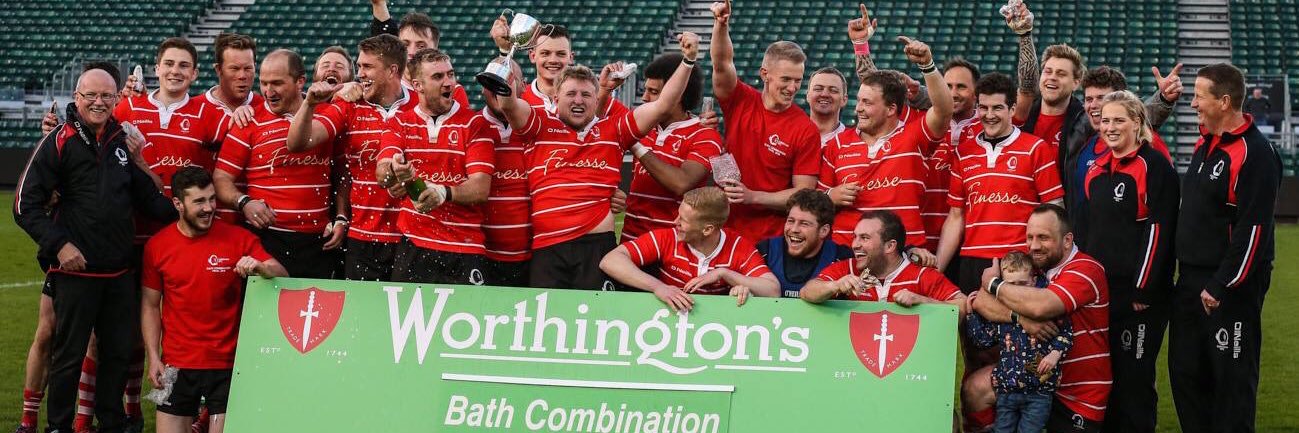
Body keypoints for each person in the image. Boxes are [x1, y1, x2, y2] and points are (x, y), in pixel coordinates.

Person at [14, 68, 176, 433]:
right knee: (68, 357)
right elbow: (24, 205)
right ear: (77, 96)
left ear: (117, 98)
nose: (99, 102)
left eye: (106, 96)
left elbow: (148, 199)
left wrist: (185, 212)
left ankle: (111, 424)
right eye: (91, 95)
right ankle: (58, 426)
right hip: (75, 271)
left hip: (119, 273)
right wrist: (60, 245)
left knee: (117, 356)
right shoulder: (59, 139)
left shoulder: (122, 141)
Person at [494, 33, 701, 290]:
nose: (578, 100)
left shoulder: (614, 130)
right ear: (556, 99)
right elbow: (508, 104)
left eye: (586, 95)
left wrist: (688, 60)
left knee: (598, 315)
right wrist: (506, 53)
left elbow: (664, 105)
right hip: (548, 249)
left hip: (597, 250)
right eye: (571, 94)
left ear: (597, 100)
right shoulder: (539, 125)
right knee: (548, 315)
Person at [1171, 63, 1281, 433]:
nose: (1193, 104)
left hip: (1228, 288)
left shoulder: (1256, 153)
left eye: (1199, 96)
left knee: (1230, 381)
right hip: (1190, 280)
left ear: (1224, 102)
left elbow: (1255, 230)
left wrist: (1222, 284)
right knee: (1186, 374)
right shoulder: (1205, 143)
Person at [140, 167, 287, 433]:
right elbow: (150, 305)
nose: (208, 208)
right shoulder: (157, 246)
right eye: (199, 201)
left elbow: (282, 274)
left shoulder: (238, 237)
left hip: (228, 365)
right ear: (178, 204)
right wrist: (153, 356)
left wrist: (260, 267)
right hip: (176, 365)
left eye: (211, 199)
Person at [1083, 91, 1179, 433]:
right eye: (1105, 120)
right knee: (1104, 376)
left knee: (1134, 379)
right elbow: (1090, 234)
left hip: (1140, 298)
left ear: (1137, 123)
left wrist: (1143, 289)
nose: (1109, 127)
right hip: (1102, 295)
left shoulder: (1155, 167)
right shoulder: (1096, 170)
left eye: (1119, 120)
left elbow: (1159, 232)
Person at [286, 35, 420, 281]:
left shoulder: (420, 105)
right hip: (363, 237)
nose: (360, 74)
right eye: (358, 66)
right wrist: (309, 104)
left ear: (392, 71)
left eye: (367, 67)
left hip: (412, 238)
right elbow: (297, 143)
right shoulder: (349, 106)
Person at [968, 204, 1110, 433]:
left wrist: (993, 284)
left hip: (1076, 394)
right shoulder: (1034, 267)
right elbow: (981, 301)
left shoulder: (1086, 269)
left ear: (1067, 240)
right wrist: (1019, 318)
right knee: (975, 388)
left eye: (1043, 238)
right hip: (1033, 376)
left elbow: (1041, 306)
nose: (1034, 246)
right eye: (1030, 237)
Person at [213, 49, 343, 279]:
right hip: (268, 238)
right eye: (263, 83)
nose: (268, 91)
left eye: (277, 83)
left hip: (319, 240)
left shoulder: (326, 114)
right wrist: (244, 203)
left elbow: (343, 172)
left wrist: (341, 217)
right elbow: (221, 177)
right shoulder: (248, 121)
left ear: (300, 81)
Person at [372, 48, 495, 284]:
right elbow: (382, 173)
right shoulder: (400, 121)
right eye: (438, 77)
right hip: (415, 246)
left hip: (465, 248)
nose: (449, 82)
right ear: (417, 85)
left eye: (451, 74)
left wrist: (442, 192)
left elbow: (480, 189)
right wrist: (395, 171)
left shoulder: (475, 123)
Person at [821, 36, 952, 254]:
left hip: (902, 251)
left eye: (867, 102)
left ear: (891, 109)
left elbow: (944, 110)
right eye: (858, 100)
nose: (858, 108)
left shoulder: (914, 137)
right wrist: (830, 196)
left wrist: (927, 65)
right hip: (847, 253)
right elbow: (814, 201)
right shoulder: (837, 143)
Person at [936, 72, 1063, 293]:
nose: (989, 115)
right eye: (983, 108)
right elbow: (956, 217)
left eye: (997, 108)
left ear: (1012, 109)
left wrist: (1051, 262)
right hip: (972, 260)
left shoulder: (1036, 148)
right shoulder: (963, 153)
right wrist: (937, 270)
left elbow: (1054, 208)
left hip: (1019, 262)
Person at [710, 0, 820, 241]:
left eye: (798, 80)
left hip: (769, 238)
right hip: (724, 230)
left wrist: (753, 196)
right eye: (786, 79)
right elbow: (722, 64)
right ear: (765, 74)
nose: (792, 88)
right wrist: (721, 24)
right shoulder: (740, 100)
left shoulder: (805, 129)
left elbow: (803, 193)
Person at [601, 187, 779, 312]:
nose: (675, 222)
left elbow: (773, 291)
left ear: (707, 229)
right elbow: (610, 261)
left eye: (683, 220)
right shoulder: (668, 237)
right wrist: (659, 287)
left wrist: (724, 274)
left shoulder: (738, 247)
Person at [1069, 65, 1180, 245]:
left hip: (1133, 254)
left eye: (1101, 98)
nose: (1093, 105)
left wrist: (1163, 100)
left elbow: (1162, 215)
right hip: (1088, 250)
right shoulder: (1086, 145)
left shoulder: (1150, 146)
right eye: (1089, 99)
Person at [621, 52, 723, 241]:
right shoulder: (642, 126)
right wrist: (604, 90)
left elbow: (681, 183)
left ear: (676, 94)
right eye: (645, 90)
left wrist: (636, 145)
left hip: (672, 246)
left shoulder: (705, 135)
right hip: (631, 241)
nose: (644, 98)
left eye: (653, 92)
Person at [967, 250, 1071, 433]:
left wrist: (1055, 354)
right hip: (1007, 390)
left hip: (1038, 391)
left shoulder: (1044, 306)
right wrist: (971, 315)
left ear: (1034, 280)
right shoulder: (1001, 315)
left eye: (1022, 284)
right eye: (1011, 285)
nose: (1017, 290)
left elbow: (1066, 332)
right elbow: (982, 340)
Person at [800, 210, 965, 311]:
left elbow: (962, 306)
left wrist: (922, 301)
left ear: (890, 246)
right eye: (855, 237)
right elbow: (807, 292)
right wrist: (834, 286)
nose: (855, 245)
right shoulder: (846, 269)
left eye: (864, 238)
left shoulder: (921, 274)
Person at [756, 189, 853, 298]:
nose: (794, 229)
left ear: (824, 231)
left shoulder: (842, 258)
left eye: (804, 224)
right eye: (791, 221)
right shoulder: (765, 252)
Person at [806, 67, 849, 142]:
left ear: (844, 100)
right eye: (818, 89)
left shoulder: (857, 142)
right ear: (808, 96)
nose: (825, 94)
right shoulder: (789, 135)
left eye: (833, 90)